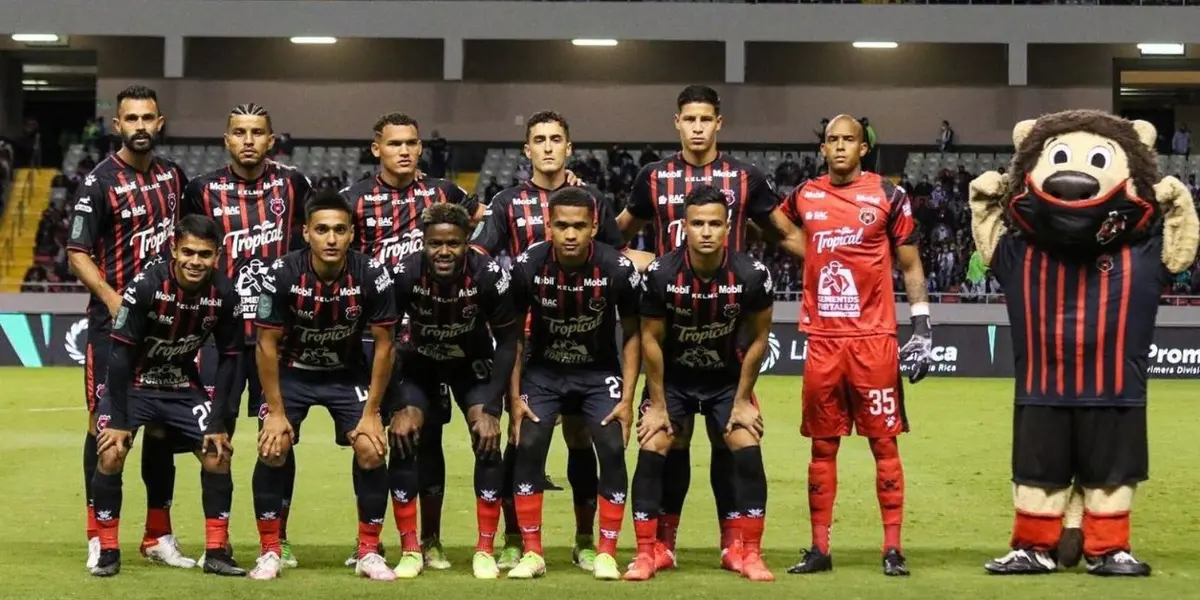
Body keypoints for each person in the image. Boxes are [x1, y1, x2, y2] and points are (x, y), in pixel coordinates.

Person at [614, 84, 804, 572]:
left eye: (706, 119)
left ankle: (735, 544)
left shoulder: (746, 177)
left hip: (727, 328)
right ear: (677, 122)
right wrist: (643, 262)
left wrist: (843, 264)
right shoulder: (652, 177)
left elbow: (784, 232)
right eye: (689, 119)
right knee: (669, 442)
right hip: (670, 324)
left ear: (719, 122)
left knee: (731, 439)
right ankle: (660, 544)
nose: (697, 128)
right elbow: (613, 235)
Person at [471, 109, 652, 571]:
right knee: (523, 442)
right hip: (528, 341)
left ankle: (586, 539)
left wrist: (658, 263)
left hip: (588, 339)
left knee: (581, 441)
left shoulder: (594, 200)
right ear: (527, 149)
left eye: (556, 139)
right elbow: (478, 255)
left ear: (568, 148)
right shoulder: (506, 201)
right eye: (539, 139)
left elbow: (620, 255)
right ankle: (517, 540)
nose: (548, 147)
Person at [778, 114, 933, 577]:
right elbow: (778, 228)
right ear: (823, 147)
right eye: (832, 140)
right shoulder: (804, 195)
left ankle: (892, 548)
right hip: (823, 340)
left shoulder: (889, 196)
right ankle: (819, 549)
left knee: (884, 444)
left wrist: (922, 329)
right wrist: (816, 257)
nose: (840, 146)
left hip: (874, 340)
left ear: (864, 148)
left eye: (849, 140)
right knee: (822, 448)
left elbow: (910, 266)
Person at [338, 112, 480, 569]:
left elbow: (484, 227)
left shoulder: (445, 193)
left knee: (430, 435)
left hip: (430, 337)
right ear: (376, 148)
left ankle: (431, 540)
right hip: (374, 337)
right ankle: (372, 540)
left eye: (412, 143)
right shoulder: (354, 199)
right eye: (395, 143)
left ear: (421, 147)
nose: (404, 150)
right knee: (375, 437)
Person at [66, 84, 193, 571]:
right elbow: (77, 251)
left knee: (162, 429)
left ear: (160, 123)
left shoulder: (174, 178)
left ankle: (157, 536)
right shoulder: (99, 181)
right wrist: (112, 298)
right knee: (106, 429)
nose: (140, 126)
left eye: (148, 118)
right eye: (131, 119)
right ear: (117, 125)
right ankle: (99, 535)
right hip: (113, 328)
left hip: (168, 329)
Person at [182, 102, 312, 567]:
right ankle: (217, 540)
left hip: (276, 337)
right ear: (226, 139)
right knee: (215, 435)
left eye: (258, 132)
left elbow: (313, 242)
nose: (249, 140)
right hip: (222, 338)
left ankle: (279, 537)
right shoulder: (201, 190)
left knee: (278, 435)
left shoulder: (294, 184)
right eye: (239, 131)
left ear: (271, 139)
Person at [625, 185, 775, 582]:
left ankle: (746, 551)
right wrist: (657, 405)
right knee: (657, 441)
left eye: (714, 223)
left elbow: (758, 338)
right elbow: (651, 340)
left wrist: (743, 400)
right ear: (683, 227)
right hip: (673, 381)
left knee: (745, 440)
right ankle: (650, 551)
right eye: (697, 223)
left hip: (726, 381)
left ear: (728, 228)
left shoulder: (751, 274)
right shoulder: (661, 274)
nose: (706, 231)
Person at [248, 190, 399, 581]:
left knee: (370, 449)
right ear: (305, 233)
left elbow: (385, 347)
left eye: (339, 230)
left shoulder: (372, 274)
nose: (330, 239)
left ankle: (368, 551)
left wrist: (371, 414)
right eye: (321, 230)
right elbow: (265, 343)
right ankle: (270, 550)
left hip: (345, 374)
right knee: (273, 447)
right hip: (290, 374)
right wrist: (276, 412)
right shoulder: (282, 272)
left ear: (352, 234)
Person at [89, 215, 243, 577]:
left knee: (217, 454)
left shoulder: (224, 292)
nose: (195, 261)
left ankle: (217, 551)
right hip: (134, 384)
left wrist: (219, 422)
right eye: (187, 251)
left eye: (204, 254)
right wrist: (121, 421)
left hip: (180, 384)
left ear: (217, 256)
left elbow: (231, 359)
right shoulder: (146, 286)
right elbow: (121, 354)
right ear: (174, 249)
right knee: (111, 451)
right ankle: (107, 551)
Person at [505, 187, 642, 580]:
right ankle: (532, 552)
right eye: (561, 225)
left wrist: (628, 398)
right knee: (528, 444)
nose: (570, 234)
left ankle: (602, 550)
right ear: (548, 225)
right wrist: (514, 398)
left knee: (612, 448)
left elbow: (633, 334)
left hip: (599, 374)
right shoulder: (528, 265)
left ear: (594, 227)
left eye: (579, 226)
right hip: (544, 372)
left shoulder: (617, 268)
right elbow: (513, 335)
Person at [386, 203, 521, 579]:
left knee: (486, 436)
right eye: (435, 244)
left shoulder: (490, 276)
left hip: (471, 363)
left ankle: (485, 548)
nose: (443, 252)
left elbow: (509, 341)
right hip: (420, 362)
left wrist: (494, 408)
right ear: (423, 243)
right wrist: (394, 404)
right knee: (406, 435)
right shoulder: (403, 273)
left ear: (466, 244)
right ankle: (418, 545)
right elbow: (383, 338)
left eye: (453, 244)